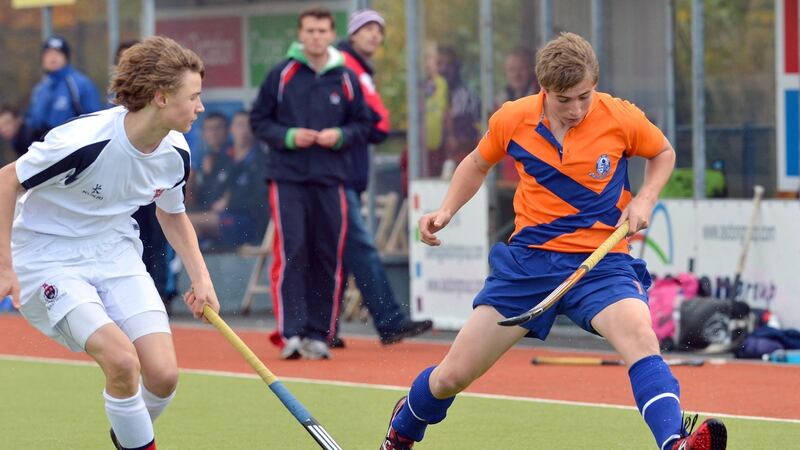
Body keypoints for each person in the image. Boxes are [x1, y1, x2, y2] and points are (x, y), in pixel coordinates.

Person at [380, 33, 727, 450]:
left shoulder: (619, 116)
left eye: (584, 96)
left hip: (602, 261)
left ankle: (674, 442)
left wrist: (646, 199)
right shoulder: (513, 118)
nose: (577, 109)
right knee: (451, 376)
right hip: (530, 266)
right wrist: (446, 210)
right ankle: (404, 428)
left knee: (640, 335)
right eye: (565, 100)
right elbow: (476, 163)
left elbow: (663, 153)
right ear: (543, 90)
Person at [0, 36, 220, 450]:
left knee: (163, 376)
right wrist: (4, 266)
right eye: (194, 97)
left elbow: (172, 214)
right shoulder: (84, 141)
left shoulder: (176, 151)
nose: (200, 107)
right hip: (47, 257)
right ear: (160, 97)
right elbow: (6, 179)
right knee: (121, 362)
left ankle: (130, 440)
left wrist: (201, 278)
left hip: (115, 251)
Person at [250, 7, 372, 360]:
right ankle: (291, 333)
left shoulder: (347, 78)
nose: (316, 37)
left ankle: (321, 334)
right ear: (300, 35)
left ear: (332, 35)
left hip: (332, 179)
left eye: (322, 31)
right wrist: (288, 136)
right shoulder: (281, 74)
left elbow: (365, 125)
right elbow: (259, 121)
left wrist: (340, 135)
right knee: (293, 250)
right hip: (287, 177)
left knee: (327, 253)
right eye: (310, 31)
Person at [333, 10, 433, 346]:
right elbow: (378, 122)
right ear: (353, 34)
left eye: (379, 30)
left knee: (339, 251)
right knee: (359, 247)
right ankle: (389, 322)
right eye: (367, 29)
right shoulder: (347, 66)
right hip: (337, 176)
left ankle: (323, 329)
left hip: (343, 175)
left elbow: (377, 123)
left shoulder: (358, 69)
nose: (375, 35)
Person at [188, 110, 269, 250]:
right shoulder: (223, 160)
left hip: (245, 220)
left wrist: (229, 201)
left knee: (187, 222)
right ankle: (187, 268)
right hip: (218, 217)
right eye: (239, 125)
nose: (243, 130)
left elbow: (260, 199)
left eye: (247, 125)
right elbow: (208, 196)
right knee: (186, 223)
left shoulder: (262, 161)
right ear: (231, 129)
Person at [22, 36, 102, 149]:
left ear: (66, 57)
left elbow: (95, 120)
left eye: (57, 53)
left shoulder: (80, 84)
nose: (52, 57)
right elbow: (32, 121)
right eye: (48, 54)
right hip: (42, 151)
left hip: (72, 149)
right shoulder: (40, 89)